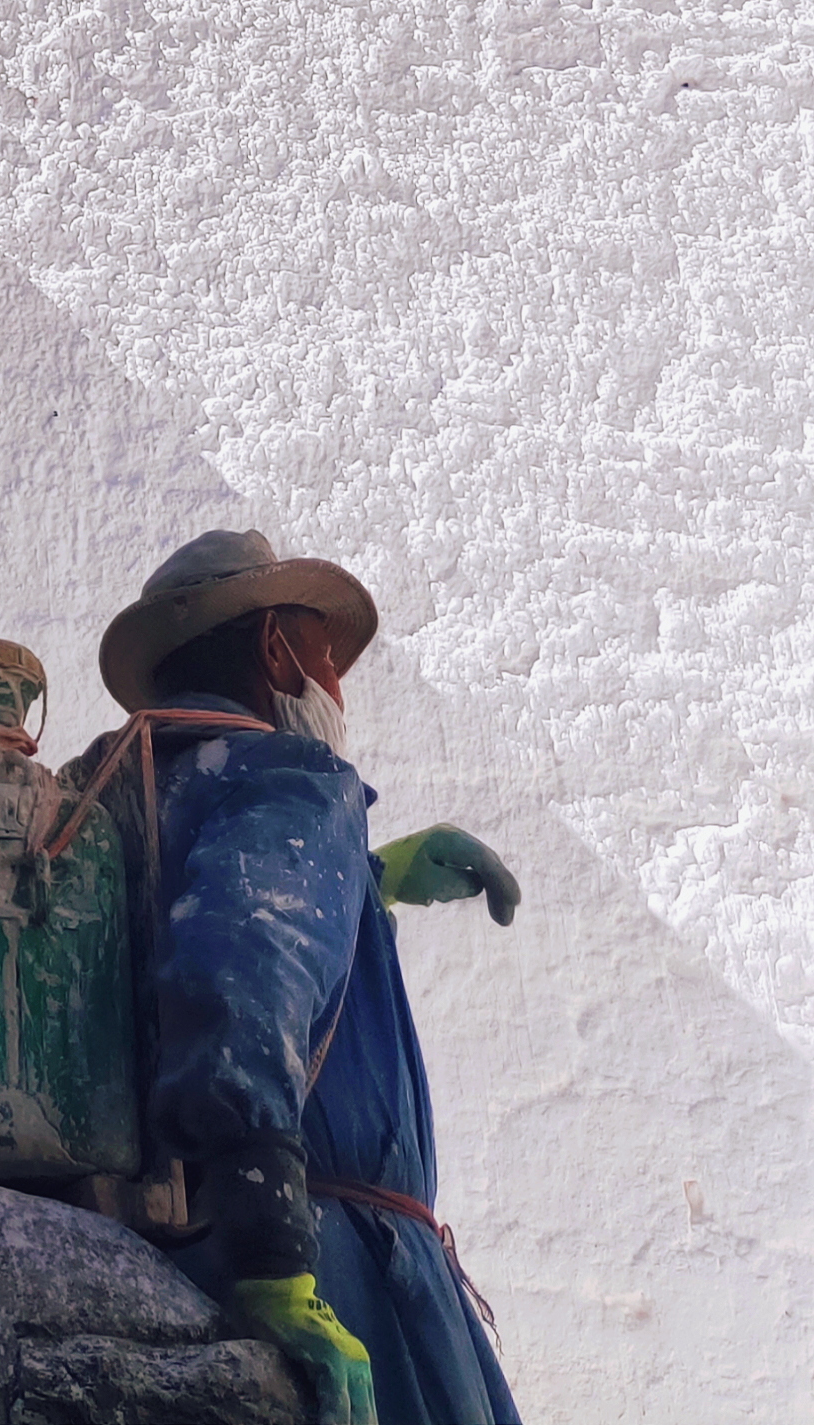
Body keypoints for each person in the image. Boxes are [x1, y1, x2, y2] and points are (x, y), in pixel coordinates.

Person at [74, 530, 522, 1425]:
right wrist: (276, 1259)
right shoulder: (293, 776)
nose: (335, 689)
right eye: (325, 659)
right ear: (274, 649)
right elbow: (246, 963)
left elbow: (193, 919)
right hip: (321, 1261)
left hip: (152, 1257)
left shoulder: (106, 801)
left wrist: (369, 877)